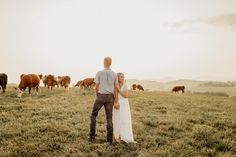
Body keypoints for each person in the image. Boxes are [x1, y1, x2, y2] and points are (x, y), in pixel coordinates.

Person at [89, 57, 119, 144]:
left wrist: (98, 94)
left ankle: (92, 136)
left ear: (104, 62)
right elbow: (115, 89)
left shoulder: (99, 73)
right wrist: (115, 100)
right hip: (110, 97)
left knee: (93, 115)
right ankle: (109, 140)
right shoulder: (114, 74)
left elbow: (96, 86)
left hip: (101, 96)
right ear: (111, 63)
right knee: (109, 118)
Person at [113, 72, 134, 143]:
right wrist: (115, 103)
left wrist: (119, 89)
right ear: (118, 78)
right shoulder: (115, 85)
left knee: (124, 119)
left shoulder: (125, 85)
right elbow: (115, 95)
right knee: (117, 119)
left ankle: (124, 136)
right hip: (118, 103)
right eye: (121, 77)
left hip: (124, 104)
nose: (123, 78)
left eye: (123, 76)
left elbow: (126, 96)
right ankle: (117, 136)